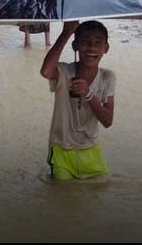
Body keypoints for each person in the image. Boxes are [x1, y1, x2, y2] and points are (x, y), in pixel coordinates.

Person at [40, 21, 116, 181]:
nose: (92, 48)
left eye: (98, 43)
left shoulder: (107, 77)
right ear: (75, 46)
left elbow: (108, 121)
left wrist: (88, 94)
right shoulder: (64, 72)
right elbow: (46, 71)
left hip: (90, 148)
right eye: (85, 42)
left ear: (106, 48)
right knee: (64, 195)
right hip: (61, 149)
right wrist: (66, 32)